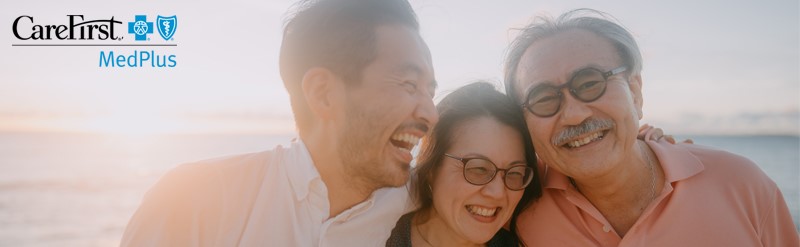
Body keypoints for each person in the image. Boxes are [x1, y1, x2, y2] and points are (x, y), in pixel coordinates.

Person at [120, 0, 438, 246]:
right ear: (323, 94)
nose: (430, 114)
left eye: (430, 91)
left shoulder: (427, 202)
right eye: (409, 85)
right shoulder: (192, 204)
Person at [503, 8, 799, 246]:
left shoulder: (740, 184)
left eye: (590, 83)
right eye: (542, 99)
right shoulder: (512, 203)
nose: (574, 115)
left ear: (635, 90)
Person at [386, 82, 543, 246]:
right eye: (479, 169)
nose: (498, 193)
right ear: (432, 168)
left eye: (514, 173)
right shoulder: (375, 236)